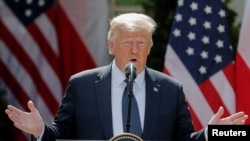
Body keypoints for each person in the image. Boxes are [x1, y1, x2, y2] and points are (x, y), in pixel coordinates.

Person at [5, 13, 248, 141]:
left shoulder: (170, 88)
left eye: (142, 43)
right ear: (111, 45)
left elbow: (182, 139)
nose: (135, 49)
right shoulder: (83, 85)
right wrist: (40, 131)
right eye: (127, 42)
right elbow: (62, 136)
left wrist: (212, 133)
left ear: (150, 48)